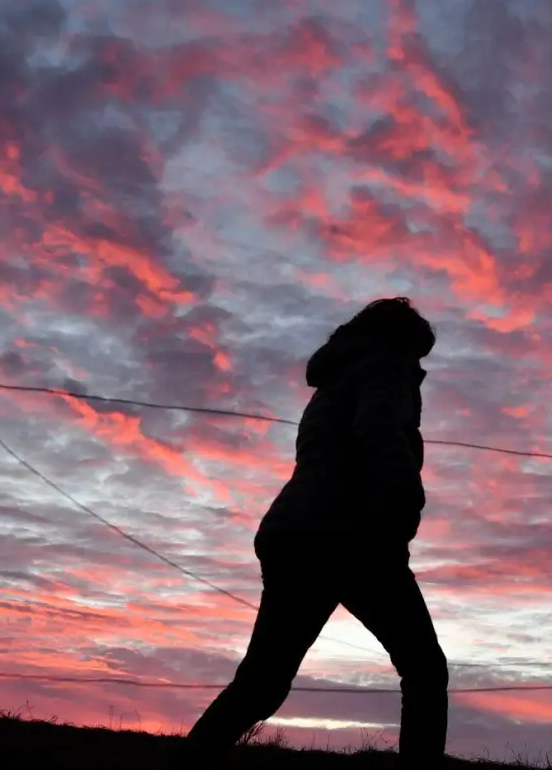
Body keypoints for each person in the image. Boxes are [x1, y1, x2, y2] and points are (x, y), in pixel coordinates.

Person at [175, 297, 448, 769]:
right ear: (400, 341)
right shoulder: (384, 367)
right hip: (352, 534)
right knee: (423, 667)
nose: (417, 366)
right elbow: (379, 430)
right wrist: (407, 497)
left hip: (295, 530)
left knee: (263, 680)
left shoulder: (336, 379)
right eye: (417, 354)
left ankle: (188, 762)